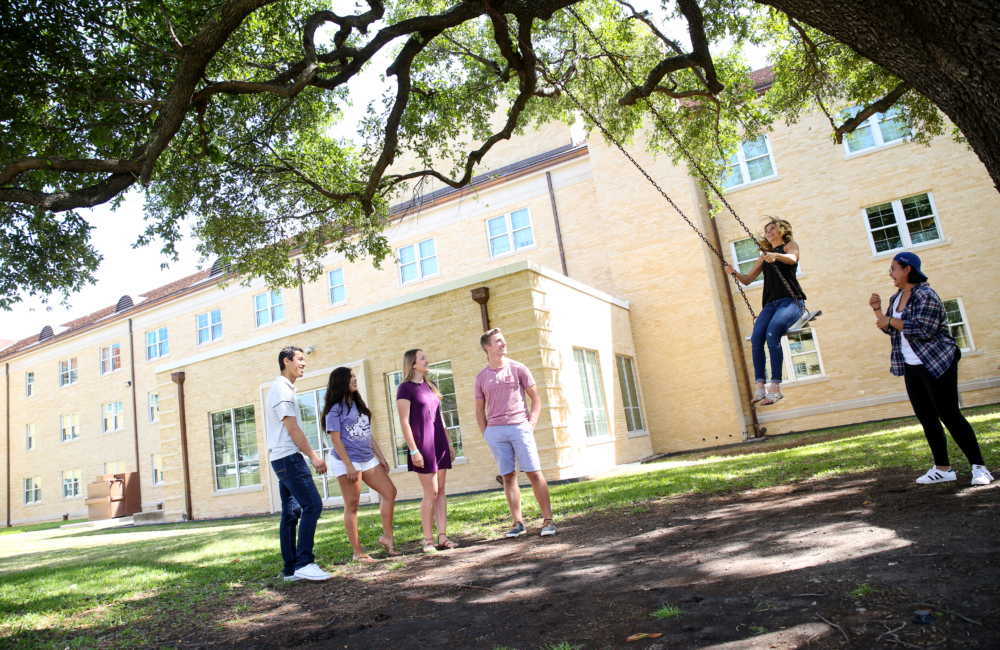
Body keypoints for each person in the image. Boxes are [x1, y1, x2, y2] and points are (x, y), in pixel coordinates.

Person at [870, 252, 993, 486]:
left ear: (907, 269)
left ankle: (980, 467)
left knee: (949, 414)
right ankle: (943, 468)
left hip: (937, 360)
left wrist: (890, 320)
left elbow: (923, 329)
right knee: (926, 417)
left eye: (893, 268)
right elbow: (890, 328)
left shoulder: (926, 294)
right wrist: (878, 310)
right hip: (911, 364)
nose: (890, 274)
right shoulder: (895, 298)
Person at [474, 328, 556, 538]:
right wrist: (487, 434)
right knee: (508, 476)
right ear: (487, 347)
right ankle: (518, 523)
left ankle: (548, 520)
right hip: (496, 432)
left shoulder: (518, 368)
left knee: (534, 473)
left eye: (503, 339)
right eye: (498, 341)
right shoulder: (481, 377)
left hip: (520, 427)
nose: (503, 343)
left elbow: (535, 397)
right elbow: (479, 410)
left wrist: (532, 423)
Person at [266, 345, 331, 581]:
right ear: (286, 361)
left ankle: (290, 570)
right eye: (300, 359)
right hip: (289, 458)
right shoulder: (281, 390)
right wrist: (314, 456)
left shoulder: (285, 389)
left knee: (291, 513)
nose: (304, 363)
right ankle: (305, 563)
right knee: (313, 505)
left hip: (282, 457)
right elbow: (292, 429)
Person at [725, 217, 807, 406]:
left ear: (782, 231)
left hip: (791, 301)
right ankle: (760, 386)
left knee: (772, 334)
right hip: (770, 304)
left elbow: (793, 258)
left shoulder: (789, 246)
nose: (768, 232)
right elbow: (746, 280)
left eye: (772, 228)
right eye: (766, 230)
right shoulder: (764, 256)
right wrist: (734, 272)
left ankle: (775, 387)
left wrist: (776, 256)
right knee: (756, 338)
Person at [323, 367, 400, 562]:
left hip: (367, 458)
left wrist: (380, 456)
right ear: (341, 381)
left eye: (355, 376)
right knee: (353, 505)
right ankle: (358, 552)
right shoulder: (335, 409)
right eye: (351, 377)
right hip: (346, 461)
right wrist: (349, 465)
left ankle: (387, 538)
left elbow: (367, 432)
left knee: (390, 492)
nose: (355, 379)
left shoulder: (357, 403)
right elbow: (336, 440)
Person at [396, 349, 458, 552]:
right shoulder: (404, 389)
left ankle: (442, 537)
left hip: (439, 441)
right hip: (422, 444)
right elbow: (404, 422)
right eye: (423, 358)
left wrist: (449, 442)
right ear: (413, 364)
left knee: (441, 491)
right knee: (431, 492)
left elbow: (439, 416)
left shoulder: (430, 385)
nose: (427, 360)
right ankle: (428, 541)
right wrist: (414, 451)